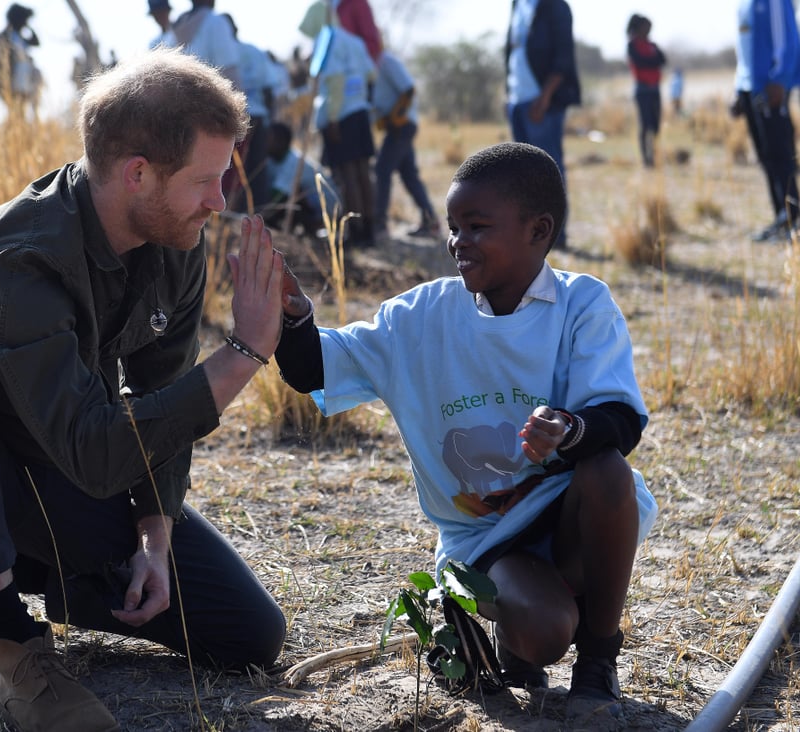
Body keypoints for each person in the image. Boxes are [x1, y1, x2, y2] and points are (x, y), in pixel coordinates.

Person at [0, 48, 287, 732]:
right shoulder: (18, 259)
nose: (219, 201)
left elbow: (160, 398)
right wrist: (244, 354)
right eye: (206, 180)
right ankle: (10, 640)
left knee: (247, 634)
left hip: (51, 455)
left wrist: (153, 537)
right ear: (138, 174)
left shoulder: (175, 235)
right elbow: (97, 454)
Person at [275, 142, 656, 727]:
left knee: (607, 469)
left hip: (569, 517)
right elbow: (313, 369)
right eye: (454, 227)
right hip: (484, 538)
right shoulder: (419, 319)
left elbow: (621, 419)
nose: (459, 242)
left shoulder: (581, 304)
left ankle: (598, 667)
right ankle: (497, 625)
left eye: (478, 227)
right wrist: (292, 317)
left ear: (539, 230)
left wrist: (569, 429)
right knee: (545, 632)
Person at [299, 0, 377, 247]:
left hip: (340, 115)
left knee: (347, 174)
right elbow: (370, 74)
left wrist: (332, 118)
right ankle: (370, 228)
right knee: (363, 171)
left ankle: (355, 228)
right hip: (360, 111)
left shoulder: (329, 40)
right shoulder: (353, 40)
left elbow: (334, 82)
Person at [504, 0, 580, 249]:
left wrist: (545, 97)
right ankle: (531, 235)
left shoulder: (555, 6)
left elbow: (563, 56)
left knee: (548, 168)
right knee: (523, 171)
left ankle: (557, 236)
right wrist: (509, 94)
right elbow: (513, 48)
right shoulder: (517, 4)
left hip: (542, 101)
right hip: (517, 99)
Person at [731, 0, 800, 242]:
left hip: (771, 86)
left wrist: (779, 78)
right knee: (766, 155)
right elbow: (744, 48)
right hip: (750, 88)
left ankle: (795, 219)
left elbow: (787, 39)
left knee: (781, 153)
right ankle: (782, 216)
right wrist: (738, 89)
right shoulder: (744, 4)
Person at [371, 48, 441, 239]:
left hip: (401, 127)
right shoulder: (374, 66)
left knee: (382, 170)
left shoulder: (386, 61)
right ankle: (431, 221)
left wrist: (395, 117)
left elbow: (409, 89)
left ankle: (380, 226)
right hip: (396, 127)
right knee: (409, 175)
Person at [223, 13, 278, 213]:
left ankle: (235, 218)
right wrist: (270, 121)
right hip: (259, 117)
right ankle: (261, 219)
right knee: (257, 171)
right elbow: (269, 90)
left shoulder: (222, 54)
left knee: (233, 174)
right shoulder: (255, 52)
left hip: (236, 119)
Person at [264, 120, 339, 237]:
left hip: (326, 209)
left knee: (290, 197)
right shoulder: (273, 160)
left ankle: (311, 229)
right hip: (313, 204)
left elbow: (278, 195)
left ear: (281, 141)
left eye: (269, 138)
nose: (266, 142)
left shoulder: (293, 162)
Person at [0, 3, 43, 121]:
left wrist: (28, 27)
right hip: (10, 84)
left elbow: (37, 42)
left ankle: (18, 136)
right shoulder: (3, 38)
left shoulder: (21, 38)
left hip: (25, 84)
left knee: (20, 115)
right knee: (15, 115)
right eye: (24, 20)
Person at [172, 0, 242, 90]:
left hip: (185, 98)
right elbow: (230, 71)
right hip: (214, 97)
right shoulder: (216, 22)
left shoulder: (175, 29)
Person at [626, 14, 666, 168]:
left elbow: (662, 60)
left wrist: (649, 61)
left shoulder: (652, 45)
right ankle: (646, 159)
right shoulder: (632, 45)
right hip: (642, 89)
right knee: (645, 124)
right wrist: (651, 61)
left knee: (655, 125)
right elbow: (640, 62)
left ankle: (654, 155)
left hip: (655, 88)